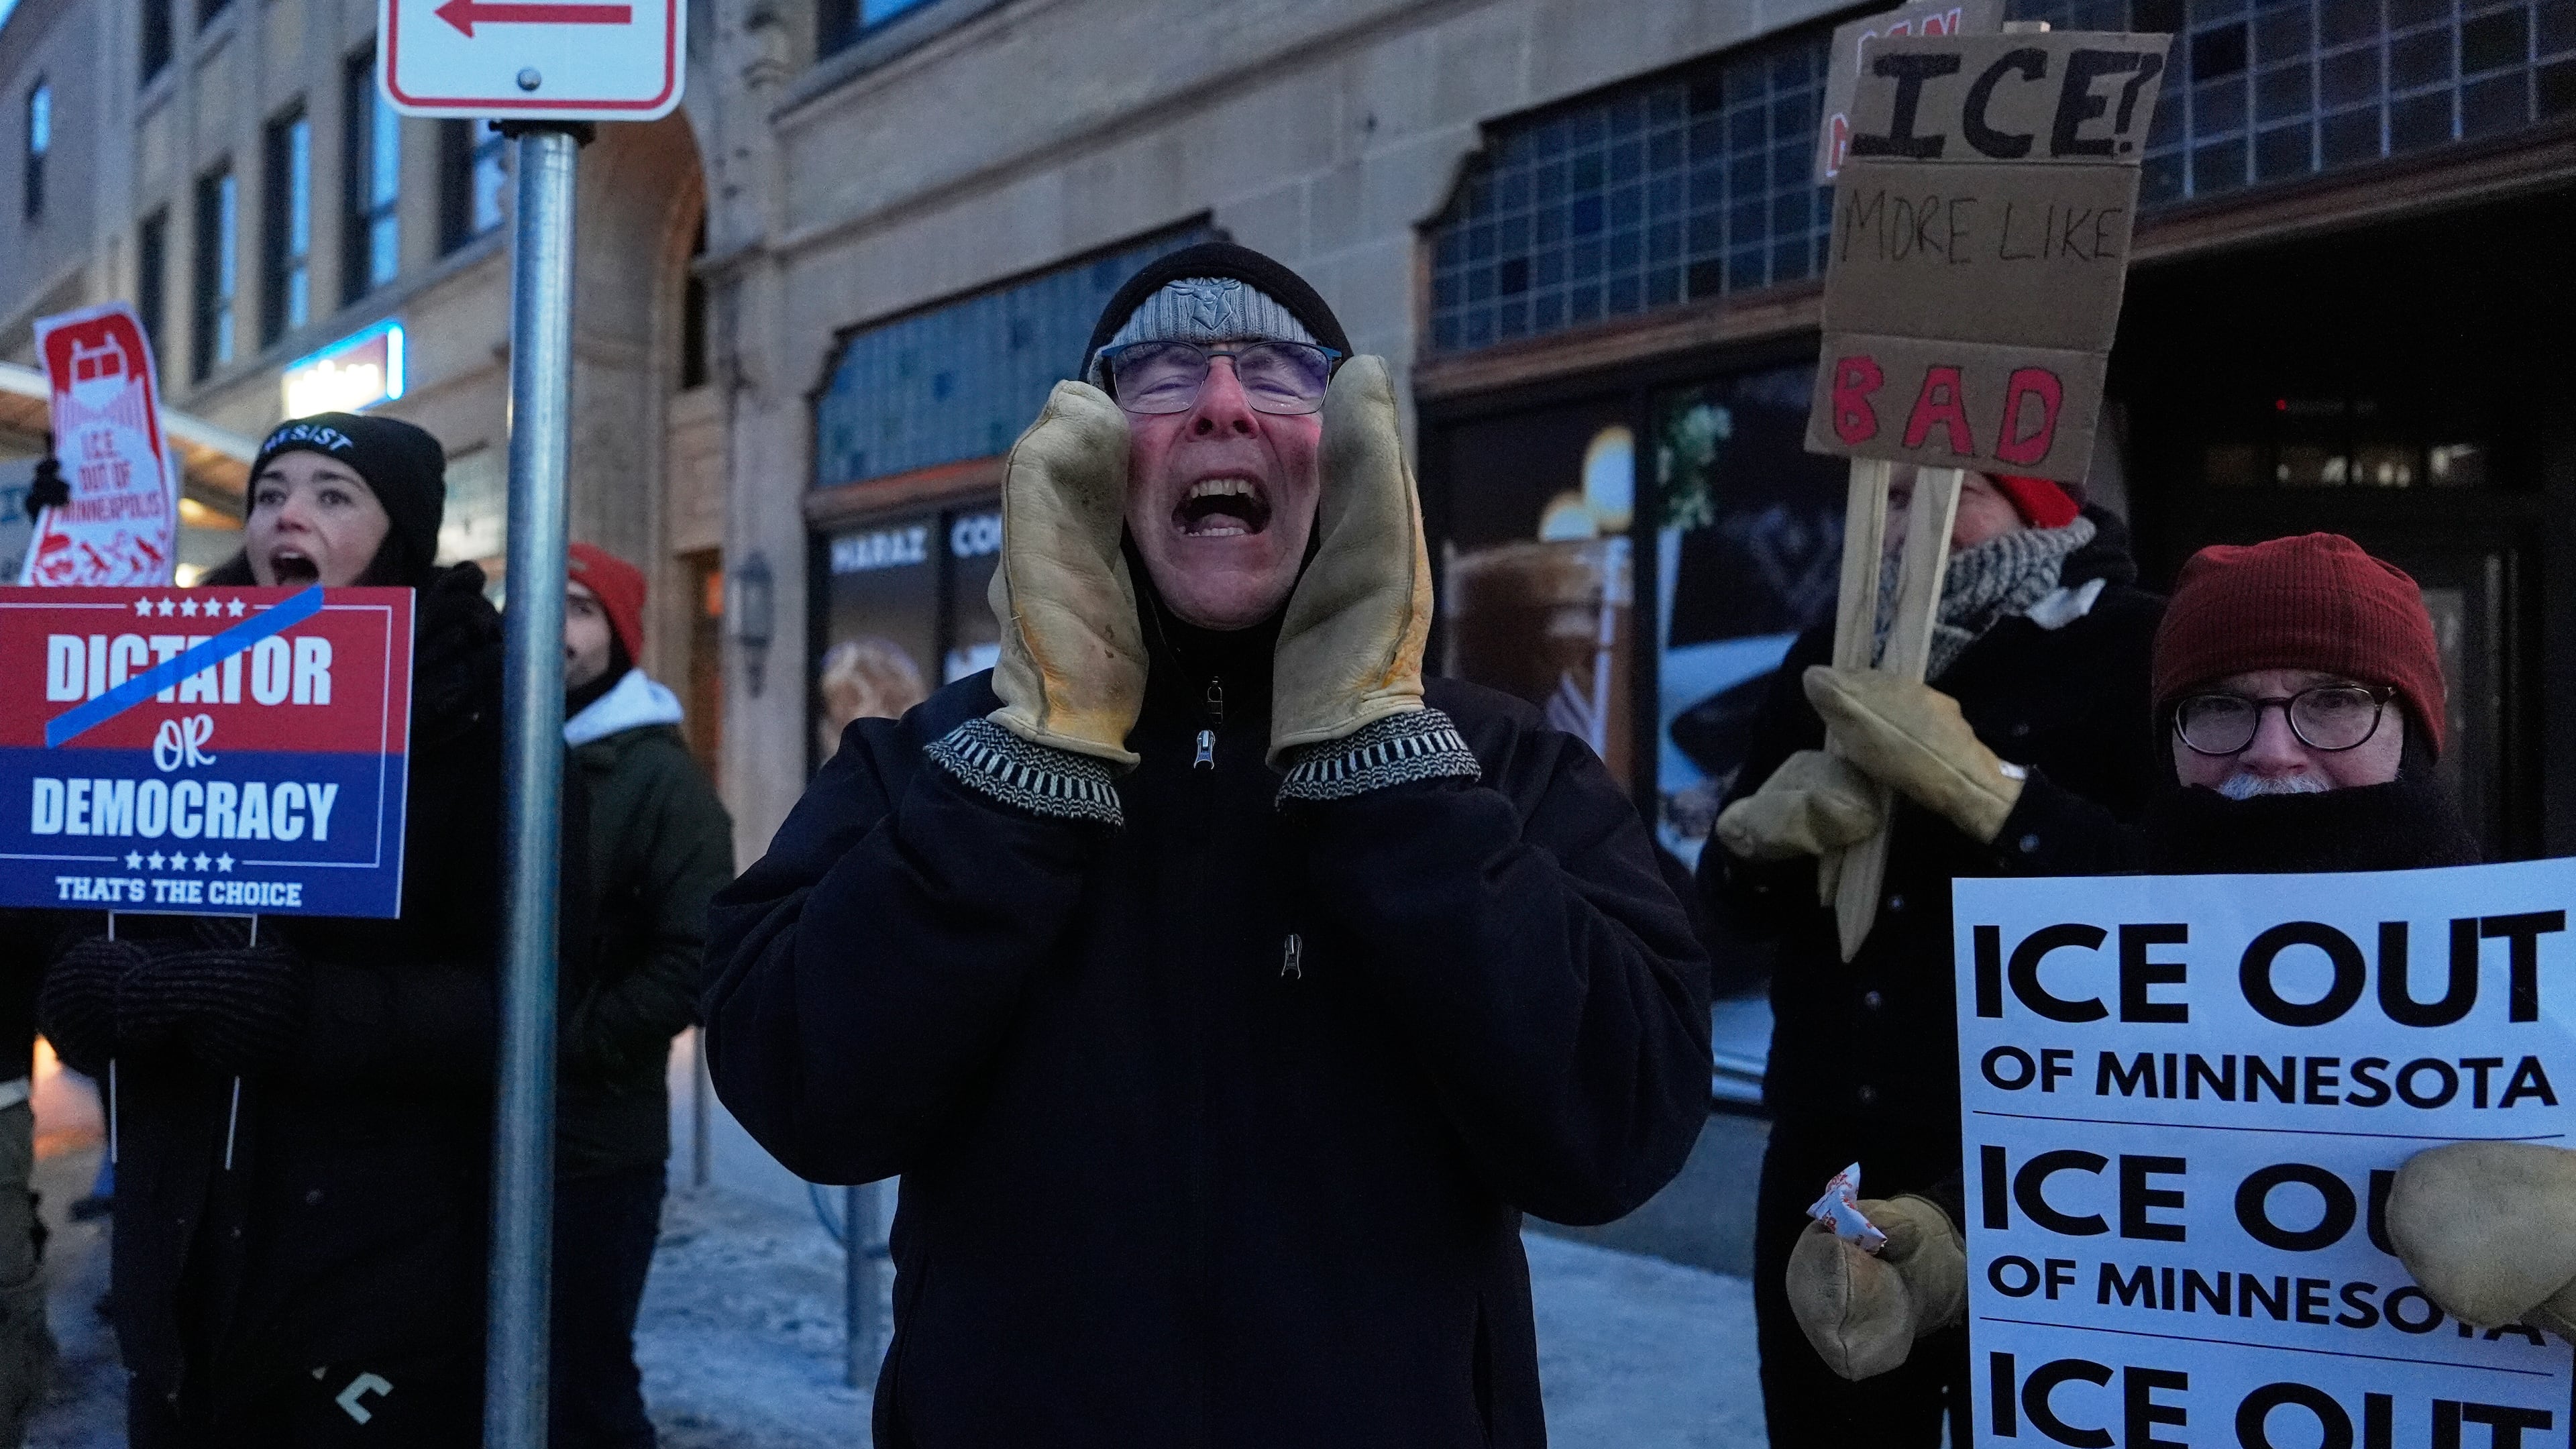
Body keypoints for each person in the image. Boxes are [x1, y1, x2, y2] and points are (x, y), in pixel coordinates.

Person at [702, 241, 1712, 1448]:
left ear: (1342, 456)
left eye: (1282, 374)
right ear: (1090, 462)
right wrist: (1036, 767)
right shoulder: (932, 758)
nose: (1225, 401)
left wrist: (1385, 772)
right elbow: (801, 1085)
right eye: (1167, 373)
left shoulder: (1493, 760)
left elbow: (1621, 1123)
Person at [1784, 531, 2483, 1379]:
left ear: (2410, 727)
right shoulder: (2108, 940)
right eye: (2220, 705)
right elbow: (2086, 1165)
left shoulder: (2527, 969)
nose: (2271, 750)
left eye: (2334, 700)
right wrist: (1943, 1250)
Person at [38, 412, 586, 1445]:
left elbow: (537, 1001)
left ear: (403, 533)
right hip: (180, 1278)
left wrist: (308, 1012)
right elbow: (73, 920)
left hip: (373, 1285)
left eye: (334, 496)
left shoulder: (486, 705)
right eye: (269, 493)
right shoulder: (152, 685)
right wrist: (87, 984)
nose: (288, 515)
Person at [1698, 466, 2165, 1443]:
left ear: (2036, 502)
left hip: (2051, 1162)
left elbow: (2177, 904)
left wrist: (2000, 800)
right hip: (1837, 1148)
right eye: (1896, 497)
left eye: (1954, 492)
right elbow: (1728, 915)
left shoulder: (2135, 645)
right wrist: (1756, 842)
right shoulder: (1824, 657)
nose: (1915, 524)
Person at [553, 543, 733, 1449]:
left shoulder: (659, 780)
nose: (554, 631)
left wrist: (569, 1043)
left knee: (582, 1379)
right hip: (478, 1131)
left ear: (619, 636)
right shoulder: (497, 751)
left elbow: (695, 954)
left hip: (596, 1147)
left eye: (580, 610)